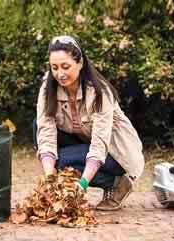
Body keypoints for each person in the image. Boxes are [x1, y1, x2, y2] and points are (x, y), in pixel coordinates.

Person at [33, 35, 145, 211]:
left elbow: (100, 144)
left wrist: (82, 184)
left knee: (62, 163)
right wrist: (50, 179)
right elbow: (46, 132)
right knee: (37, 128)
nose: (59, 74)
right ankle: (60, 183)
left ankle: (119, 183)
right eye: (54, 67)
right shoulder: (49, 87)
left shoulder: (100, 92)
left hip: (116, 153)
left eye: (65, 66)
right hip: (85, 140)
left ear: (80, 63)